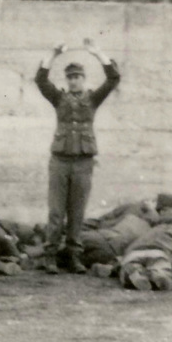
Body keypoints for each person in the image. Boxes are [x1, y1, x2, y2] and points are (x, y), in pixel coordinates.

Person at [36, 45, 123, 261]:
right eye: (70, 77)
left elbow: (113, 79)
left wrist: (97, 53)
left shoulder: (92, 100)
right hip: (60, 162)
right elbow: (41, 80)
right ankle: (51, 255)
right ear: (67, 80)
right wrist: (54, 54)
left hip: (84, 163)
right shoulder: (59, 99)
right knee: (56, 212)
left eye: (77, 77)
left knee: (77, 212)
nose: (73, 80)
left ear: (83, 79)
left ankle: (73, 255)